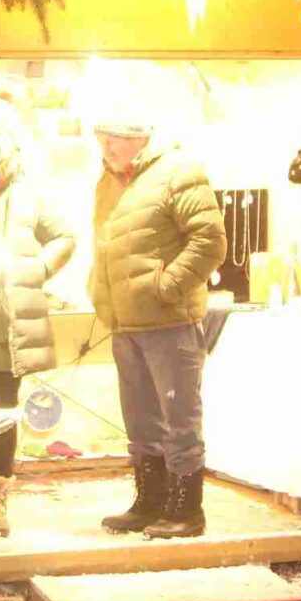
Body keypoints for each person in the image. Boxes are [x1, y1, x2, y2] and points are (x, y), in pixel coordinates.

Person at [88, 116, 226, 539]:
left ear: (140, 138)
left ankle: (186, 510)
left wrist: (167, 287)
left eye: (115, 139)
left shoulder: (179, 172)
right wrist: (99, 293)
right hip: (125, 323)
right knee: (140, 421)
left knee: (179, 419)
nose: (107, 147)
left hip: (169, 321)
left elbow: (210, 241)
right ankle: (150, 503)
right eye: (103, 139)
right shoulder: (108, 183)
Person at [0, 97, 75, 538]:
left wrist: (37, 268)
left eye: (0, 134)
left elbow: (64, 237)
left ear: (12, 142)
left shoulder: (30, 192)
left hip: (9, 327)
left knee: (2, 413)